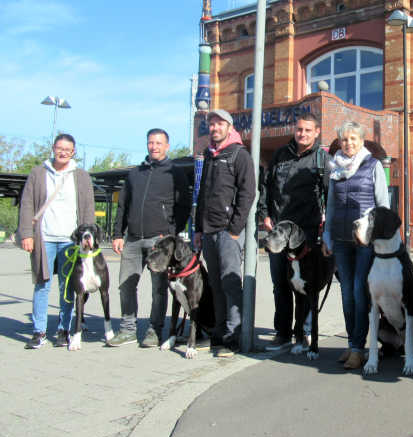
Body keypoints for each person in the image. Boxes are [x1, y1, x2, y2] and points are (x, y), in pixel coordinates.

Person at [107, 129, 191, 348]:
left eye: (159, 143)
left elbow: (184, 206)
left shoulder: (175, 172)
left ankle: (154, 330)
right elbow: (123, 205)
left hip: (159, 242)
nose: (154, 146)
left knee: (158, 289)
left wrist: (170, 234)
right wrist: (118, 234)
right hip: (133, 239)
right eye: (151, 142)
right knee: (126, 284)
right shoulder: (135, 173)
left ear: (167, 146)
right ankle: (127, 329)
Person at [258, 112, 330, 352]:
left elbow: (329, 195)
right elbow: (266, 188)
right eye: (299, 129)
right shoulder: (280, 155)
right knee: (281, 284)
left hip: (306, 236)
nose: (302, 134)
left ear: (317, 132)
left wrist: (326, 228)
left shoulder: (322, 159)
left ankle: (305, 331)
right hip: (278, 233)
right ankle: (283, 333)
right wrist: (265, 214)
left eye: (308, 130)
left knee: (306, 288)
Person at [321, 121, 389, 369]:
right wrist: (327, 235)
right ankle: (352, 344)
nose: (348, 143)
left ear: (362, 141)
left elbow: (383, 206)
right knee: (347, 293)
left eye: (353, 139)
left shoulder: (373, 166)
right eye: (344, 139)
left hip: (365, 241)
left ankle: (360, 348)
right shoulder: (335, 168)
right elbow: (330, 205)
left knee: (360, 292)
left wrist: (382, 239)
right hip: (340, 240)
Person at [18, 134, 95, 349]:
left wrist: (88, 237)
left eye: (67, 149)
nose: (63, 152)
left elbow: (88, 208)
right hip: (44, 237)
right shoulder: (38, 173)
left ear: (73, 152)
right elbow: (27, 204)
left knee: (67, 287)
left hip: (70, 240)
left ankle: (64, 329)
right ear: (53, 148)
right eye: (59, 148)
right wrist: (27, 234)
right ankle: (39, 331)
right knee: (42, 283)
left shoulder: (81, 176)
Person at [193, 109, 256, 357]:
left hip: (227, 232)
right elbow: (202, 195)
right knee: (216, 285)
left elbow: (247, 193)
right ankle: (219, 332)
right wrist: (198, 229)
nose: (215, 128)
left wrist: (234, 229)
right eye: (212, 124)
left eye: (219, 124)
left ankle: (233, 336)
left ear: (229, 127)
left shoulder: (239, 154)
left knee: (231, 284)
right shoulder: (210, 155)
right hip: (208, 231)